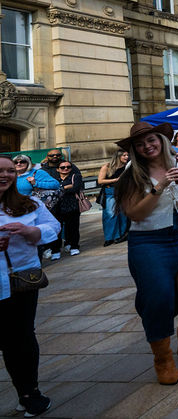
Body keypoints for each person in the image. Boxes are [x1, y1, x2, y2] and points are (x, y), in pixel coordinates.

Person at [114, 121, 178, 385]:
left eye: (151, 140)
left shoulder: (177, 163)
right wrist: (159, 186)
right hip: (148, 240)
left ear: (161, 140)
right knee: (158, 299)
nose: (147, 147)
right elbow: (135, 213)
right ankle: (162, 357)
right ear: (134, 149)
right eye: (140, 144)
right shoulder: (132, 174)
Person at [0, 154, 61, 417]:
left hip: (22, 282)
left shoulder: (29, 203)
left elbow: (53, 227)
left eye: (10, 171)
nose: (5, 175)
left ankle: (29, 392)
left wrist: (32, 233)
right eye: (0, 171)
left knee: (21, 338)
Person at [50, 159, 84, 259]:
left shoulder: (75, 176)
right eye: (62, 167)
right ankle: (55, 250)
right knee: (56, 229)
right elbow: (51, 190)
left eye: (68, 167)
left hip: (72, 206)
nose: (65, 169)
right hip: (57, 207)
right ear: (57, 169)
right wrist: (66, 187)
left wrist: (61, 188)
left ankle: (74, 246)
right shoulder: (53, 179)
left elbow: (75, 188)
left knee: (73, 228)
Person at [97, 150, 131, 246]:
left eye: (127, 155)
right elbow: (100, 181)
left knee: (123, 215)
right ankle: (109, 238)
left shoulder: (127, 167)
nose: (126, 157)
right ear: (118, 156)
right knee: (110, 215)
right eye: (124, 155)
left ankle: (120, 235)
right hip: (110, 192)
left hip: (123, 191)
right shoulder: (107, 167)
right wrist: (115, 180)